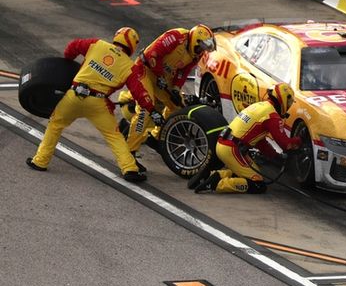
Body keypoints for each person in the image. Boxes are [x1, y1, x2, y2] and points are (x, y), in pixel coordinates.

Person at [27, 28, 150, 182]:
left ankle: (40, 161)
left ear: (116, 38)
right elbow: (139, 92)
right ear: (132, 45)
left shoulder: (97, 44)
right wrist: (149, 106)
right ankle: (130, 169)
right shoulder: (130, 66)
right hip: (98, 103)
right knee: (114, 136)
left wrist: (68, 60)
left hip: (74, 96)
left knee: (55, 124)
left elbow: (73, 46)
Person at [126, 24, 216, 158]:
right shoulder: (176, 37)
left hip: (163, 79)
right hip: (146, 70)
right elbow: (153, 55)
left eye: (204, 48)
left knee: (178, 107)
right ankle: (129, 153)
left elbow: (183, 72)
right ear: (195, 40)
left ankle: (156, 137)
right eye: (201, 46)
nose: (201, 50)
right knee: (145, 110)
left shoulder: (197, 53)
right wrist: (160, 76)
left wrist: (176, 88)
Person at [192, 82, 300, 194]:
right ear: (282, 98)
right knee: (258, 184)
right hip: (232, 149)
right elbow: (286, 144)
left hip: (225, 143)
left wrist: (275, 156)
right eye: (289, 102)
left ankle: (216, 174)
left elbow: (259, 142)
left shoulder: (259, 106)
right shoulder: (272, 116)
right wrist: (299, 140)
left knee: (247, 173)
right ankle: (216, 184)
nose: (289, 105)